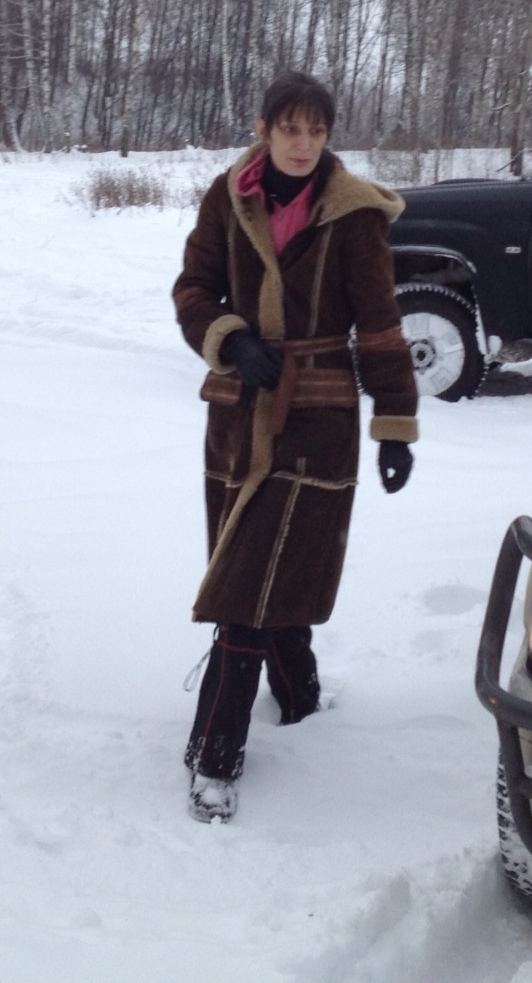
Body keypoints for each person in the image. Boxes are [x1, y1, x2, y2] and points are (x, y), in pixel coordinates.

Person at [171, 71, 418, 823]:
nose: (303, 144)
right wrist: (230, 339)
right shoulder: (228, 198)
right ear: (264, 129)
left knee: (246, 588)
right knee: (260, 571)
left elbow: (380, 328)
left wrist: (395, 424)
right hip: (237, 414)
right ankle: (301, 696)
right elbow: (192, 291)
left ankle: (215, 757)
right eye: (290, 129)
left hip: (318, 422)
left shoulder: (354, 216)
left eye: (317, 130)